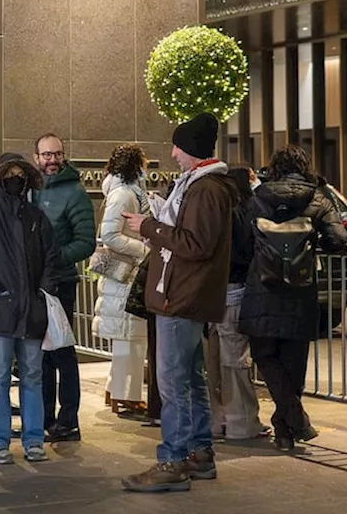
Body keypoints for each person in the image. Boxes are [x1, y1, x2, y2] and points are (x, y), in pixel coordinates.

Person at [121, 113, 236, 493]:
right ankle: (199, 454)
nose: (172, 153)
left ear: (192, 150)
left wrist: (149, 227)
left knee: (173, 383)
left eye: (177, 146)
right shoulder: (203, 186)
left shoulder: (205, 189)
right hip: (186, 296)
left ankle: (172, 461)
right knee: (190, 379)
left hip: (181, 297)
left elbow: (195, 244)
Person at [236, 148, 347, 450]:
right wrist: (312, 247)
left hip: (263, 287)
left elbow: (242, 242)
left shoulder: (257, 198)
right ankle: (288, 427)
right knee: (293, 363)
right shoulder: (318, 198)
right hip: (301, 289)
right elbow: (339, 240)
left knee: (264, 355)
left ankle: (291, 424)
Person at [0, 153, 63, 464]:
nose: (16, 179)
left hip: (30, 310)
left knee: (32, 375)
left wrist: (42, 292)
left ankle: (34, 440)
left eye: (21, 174)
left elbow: (51, 258)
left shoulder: (36, 218)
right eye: (11, 174)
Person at [31, 134, 96, 442]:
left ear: (64, 155)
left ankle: (68, 420)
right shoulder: (32, 189)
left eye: (56, 154)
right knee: (40, 356)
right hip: (34, 285)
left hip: (61, 285)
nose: (51, 160)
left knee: (62, 354)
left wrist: (55, 259)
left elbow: (85, 241)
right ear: (36, 158)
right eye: (46, 155)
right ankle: (43, 418)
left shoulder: (75, 193)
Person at [203, 166, 266, 441]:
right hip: (235, 291)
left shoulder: (216, 213)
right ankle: (242, 423)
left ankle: (216, 420)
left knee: (212, 363)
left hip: (211, 294)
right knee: (234, 362)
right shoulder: (246, 213)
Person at [93, 144, 152, 417]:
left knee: (130, 336)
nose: (147, 166)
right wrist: (143, 249)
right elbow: (110, 235)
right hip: (126, 273)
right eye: (143, 161)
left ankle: (115, 390)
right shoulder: (124, 195)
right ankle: (124, 395)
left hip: (124, 275)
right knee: (130, 338)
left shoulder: (124, 193)